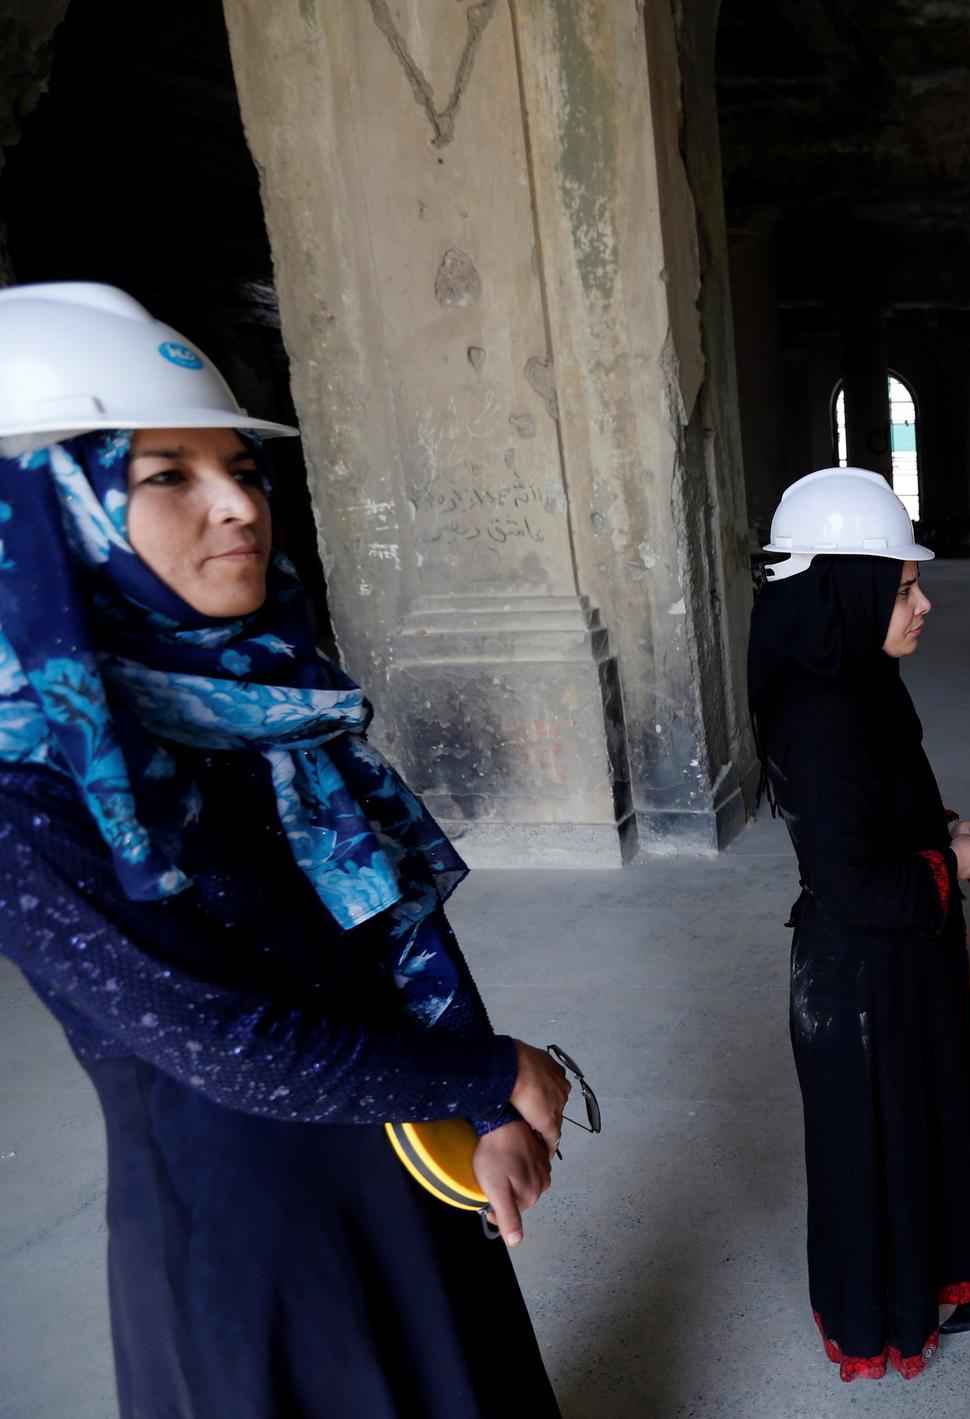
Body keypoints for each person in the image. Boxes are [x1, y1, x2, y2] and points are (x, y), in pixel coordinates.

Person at [0, 283, 563, 1416]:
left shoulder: (263, 703)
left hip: (397, 1142)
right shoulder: (32, 784)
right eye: (168, 477)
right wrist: (488, 1071)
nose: (238, 508)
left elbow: (394, 921)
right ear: (51, 517)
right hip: (249, 1230)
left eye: (243, 470)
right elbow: (228, 1043)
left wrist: (480, 1109)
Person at [750, 467, 970, 1382]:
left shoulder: (862, 682)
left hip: (899, 963)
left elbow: (887, 810)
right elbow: (853, 883)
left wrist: (945, 828)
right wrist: (956, 865)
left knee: (923, 1119)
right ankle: (886, 1317)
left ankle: (943, 1268)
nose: (923, 605)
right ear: (847, 588)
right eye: (904, 586)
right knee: (879, 1146)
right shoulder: (817, 713)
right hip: (858, 979)